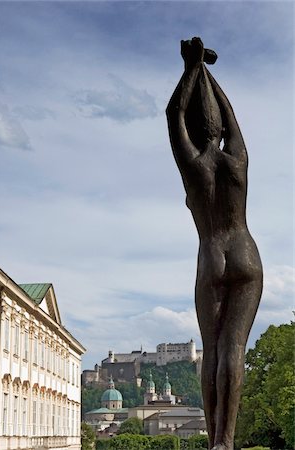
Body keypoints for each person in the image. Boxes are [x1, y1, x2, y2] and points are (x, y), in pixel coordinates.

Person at [166, 37, 263, 450]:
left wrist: (191, 69)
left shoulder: (193, 164)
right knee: (234, 349)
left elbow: (172, 112)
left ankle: (215, 444)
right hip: (246, 253)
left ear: (192, 127)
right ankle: (227, 439)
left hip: (212, 256)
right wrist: (209, 71)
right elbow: (232, 119)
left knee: (212, 349)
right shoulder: (236, 159)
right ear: (220, 128)